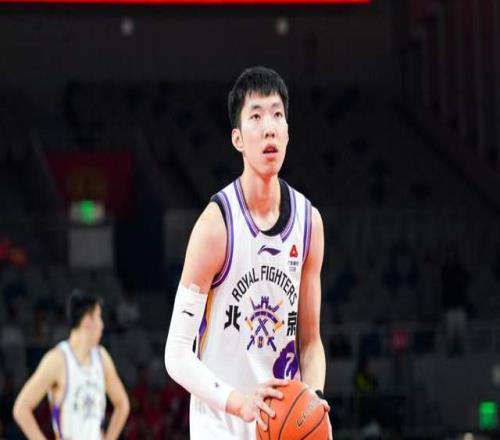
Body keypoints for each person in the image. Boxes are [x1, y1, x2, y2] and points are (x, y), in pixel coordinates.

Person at [164, 66, 331, 439]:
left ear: (287, 131)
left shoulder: (309, 223)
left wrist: (314, 399)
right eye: (256, 116)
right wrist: (240, 404)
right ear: (237, 139)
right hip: (220, 425)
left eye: (277, 115)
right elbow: (176, 354)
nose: (269, 127)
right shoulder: (216, 226)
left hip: (279, 427)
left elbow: (310, 342)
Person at [13, 289, 130, 440]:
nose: (102, 325)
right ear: (87, 321)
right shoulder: (57, 360)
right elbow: (21, 408)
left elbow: (122, 404)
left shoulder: (102, 358)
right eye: (99, 317)